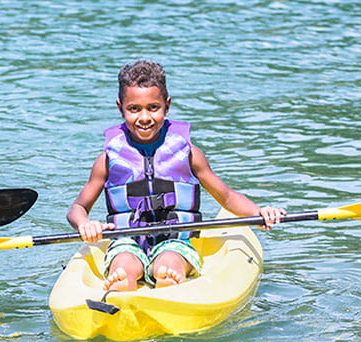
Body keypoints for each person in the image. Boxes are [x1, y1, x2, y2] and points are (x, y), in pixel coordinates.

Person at [67, 60, 285, 291]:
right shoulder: (108, 159)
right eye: (134, 109)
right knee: (124, 262)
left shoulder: (188, 153)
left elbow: (227, 197)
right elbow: (77, 208)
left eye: (153, 107)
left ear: (167, 106)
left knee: (169, 261)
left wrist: (258, 213)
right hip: (127, 241)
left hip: (175, 241)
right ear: (120, 107)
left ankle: (169, 279)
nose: (144, 117)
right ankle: (124, 281)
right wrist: (85, 224)